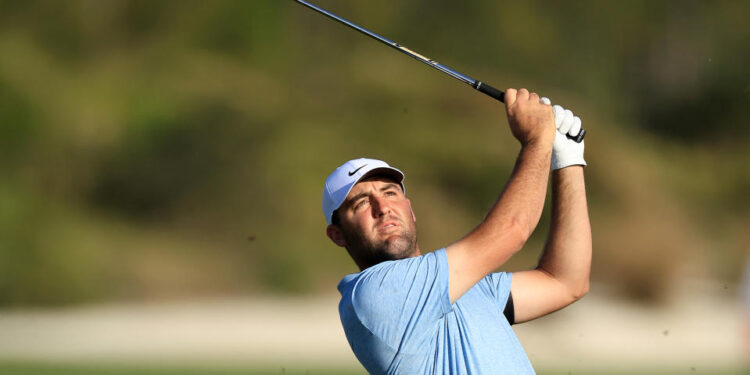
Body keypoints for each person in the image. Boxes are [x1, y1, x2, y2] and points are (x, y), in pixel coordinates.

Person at [321, 88, 591, 374]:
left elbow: (565, 282)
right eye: (361, 203)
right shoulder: (373, 294)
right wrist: (537, 140)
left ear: (410, 210)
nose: (382, 207)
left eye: (390, 193)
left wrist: (568, 159)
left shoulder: (466, 289)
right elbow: (513, 230)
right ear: (337, 235)